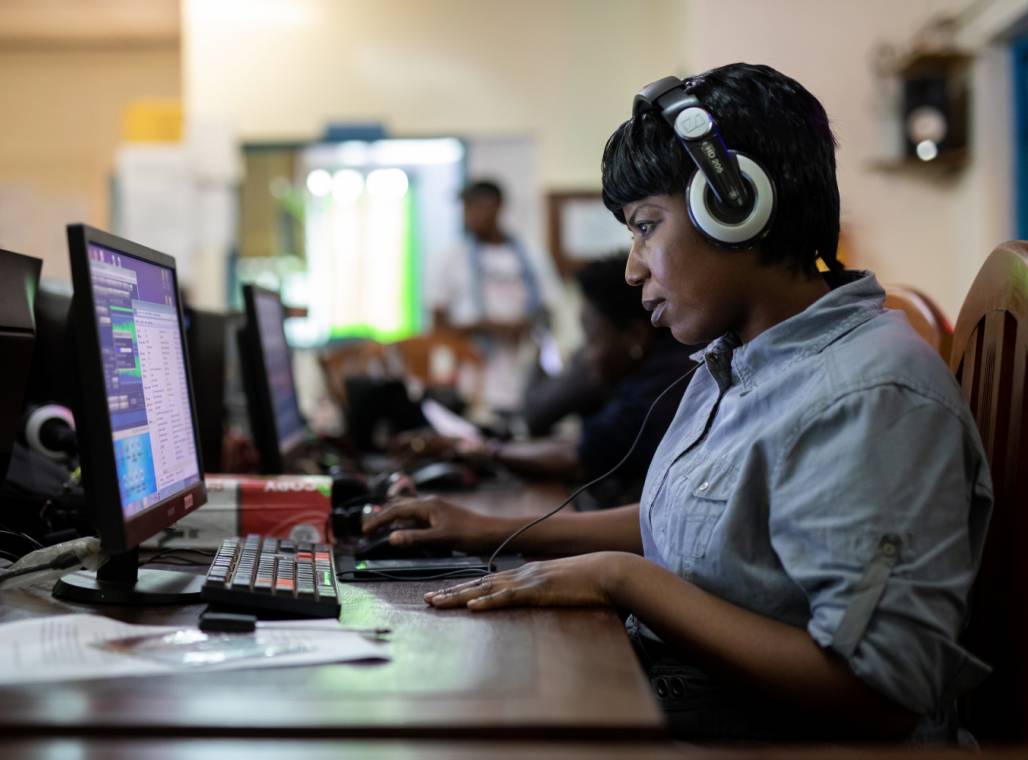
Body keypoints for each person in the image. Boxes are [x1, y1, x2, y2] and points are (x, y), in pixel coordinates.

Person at [365, 63, 992, 742]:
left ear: (734, 206)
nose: (633, 267)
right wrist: (489, 530)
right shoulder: (749, 354)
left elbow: (880, 691)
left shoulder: (868, 395)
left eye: (645, 227)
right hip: (701, 702)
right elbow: (700, 524)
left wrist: (624, 582)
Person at [476, 255, 696, 509]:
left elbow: (577, 454)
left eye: (591, 336)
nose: (583, 353)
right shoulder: (648, 368)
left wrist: (482, 452)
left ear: (634, 335)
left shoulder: (665, 383)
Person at [428, 180, 557, 412]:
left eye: (476, 207)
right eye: (466, 208)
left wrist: (524, 325)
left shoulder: (531, 254)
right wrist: (481, 327)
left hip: (522, 377)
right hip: (471, 384)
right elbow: (437, 322)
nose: (469, 215)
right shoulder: (452, 257)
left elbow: (548, 309)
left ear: (498, 207)